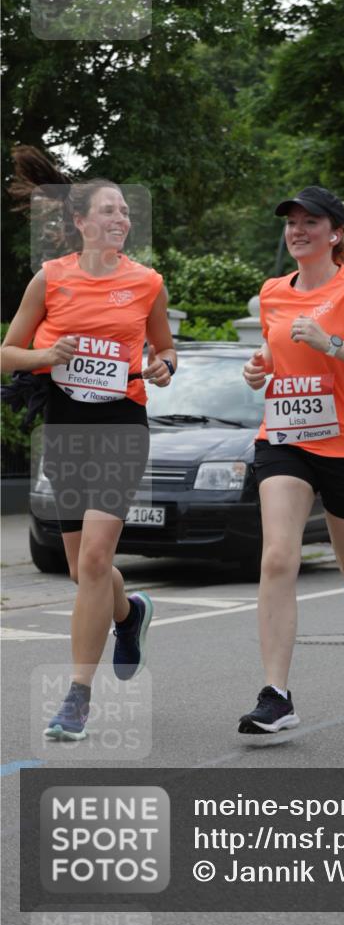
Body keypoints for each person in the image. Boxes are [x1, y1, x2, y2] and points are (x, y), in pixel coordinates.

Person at [0, 146, 176, 740]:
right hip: (68, 426)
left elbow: (164, 349)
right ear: (79, 222)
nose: (120, 219)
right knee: (82, 571)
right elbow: (6, 353)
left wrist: (162, 366)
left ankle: (76, 699)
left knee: (98, 559)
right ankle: (131, 614)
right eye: (108, 211)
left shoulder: (147, 282)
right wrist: (46, 356)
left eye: (125, 211)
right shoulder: (51, 279)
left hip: (123, 423)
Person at [240, 185, 344, 734]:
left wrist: (331, 343)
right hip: (285, 438)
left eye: (311, 222)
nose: (298, 230)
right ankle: (276, 694)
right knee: (278, 557)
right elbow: (272, 354)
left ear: (335, 234)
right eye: (291, 222)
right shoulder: (272, 292)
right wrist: (257, 369)